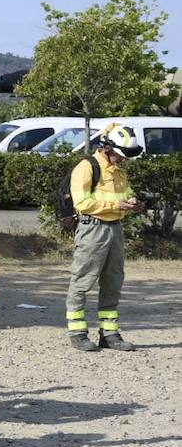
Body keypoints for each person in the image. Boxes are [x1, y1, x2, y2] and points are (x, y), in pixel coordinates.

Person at [65, 123, 144, 352]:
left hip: (115, 228)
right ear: (107, 148)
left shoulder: (119, 169)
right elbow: (82, 203)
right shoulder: (86, 167)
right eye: (121, 154)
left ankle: (109, 333)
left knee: (113, 281)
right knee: (82, 281)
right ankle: (78, 333)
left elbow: (125, 193)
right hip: (93, 229)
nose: (124, 159)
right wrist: (115, 204)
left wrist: (133, 202)